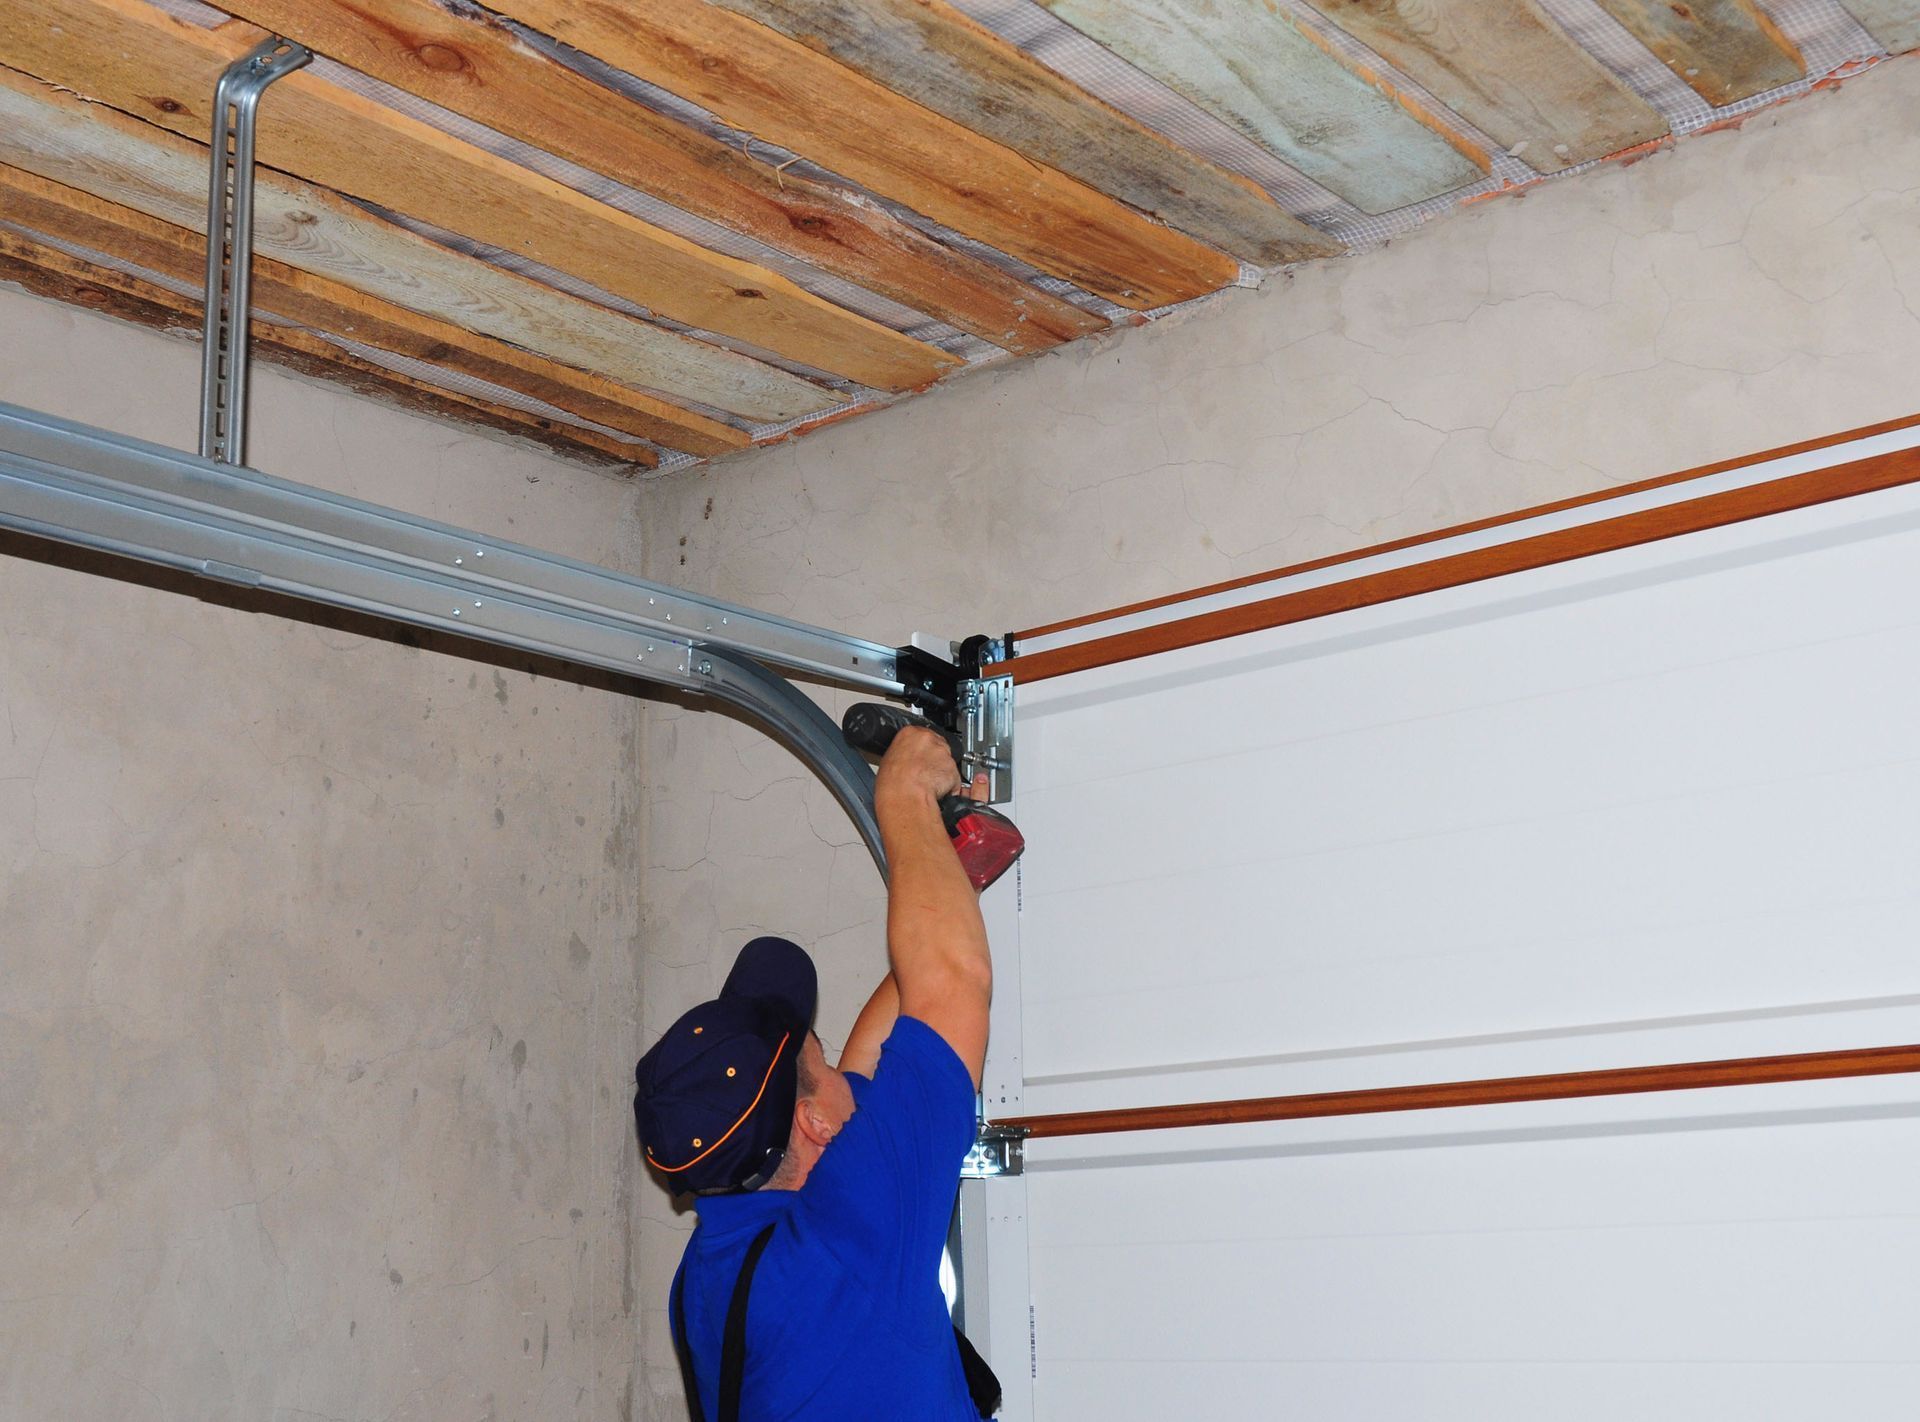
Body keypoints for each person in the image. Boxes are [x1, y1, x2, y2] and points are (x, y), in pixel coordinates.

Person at [633, 727, 998, 1421]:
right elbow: (951, 984)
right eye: (822, 1059)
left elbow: (889, 1051)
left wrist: (951, 877)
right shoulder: (843, 1246)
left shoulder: (711, 1270)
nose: (842, 1068)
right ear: (813, 1123)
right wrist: (902, 796)